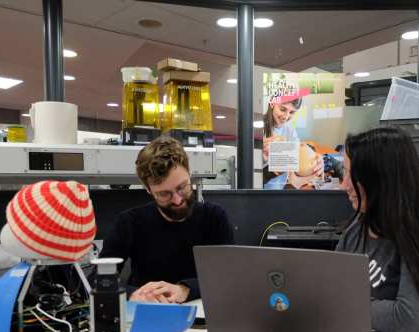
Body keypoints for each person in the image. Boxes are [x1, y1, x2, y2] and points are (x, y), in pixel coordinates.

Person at [337, 127, 419, 332]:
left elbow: (408, 319)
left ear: (381, 179)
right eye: (344, 172)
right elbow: (330, 288)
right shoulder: (357, 229)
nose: (344, 184)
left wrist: (345, 306)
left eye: (352, 174)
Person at [100, 136, 234, 303]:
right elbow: (98, 281)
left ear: (189, 174)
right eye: (164, 194)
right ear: (148, 190)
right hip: (147, 314)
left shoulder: (214, 217)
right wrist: (134, 295)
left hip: (203, 315)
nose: (177, 200)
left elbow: (228, 276)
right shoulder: (129, 222)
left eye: (182, 187)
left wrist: (185, 289)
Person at [262, 94, 323, 189]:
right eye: (282, 109)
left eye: (292, 112)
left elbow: (298, 156)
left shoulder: (289, 129)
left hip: (280, 187)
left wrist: (317, 162)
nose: (286, 117)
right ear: (272, 104)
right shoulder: (257, 127)